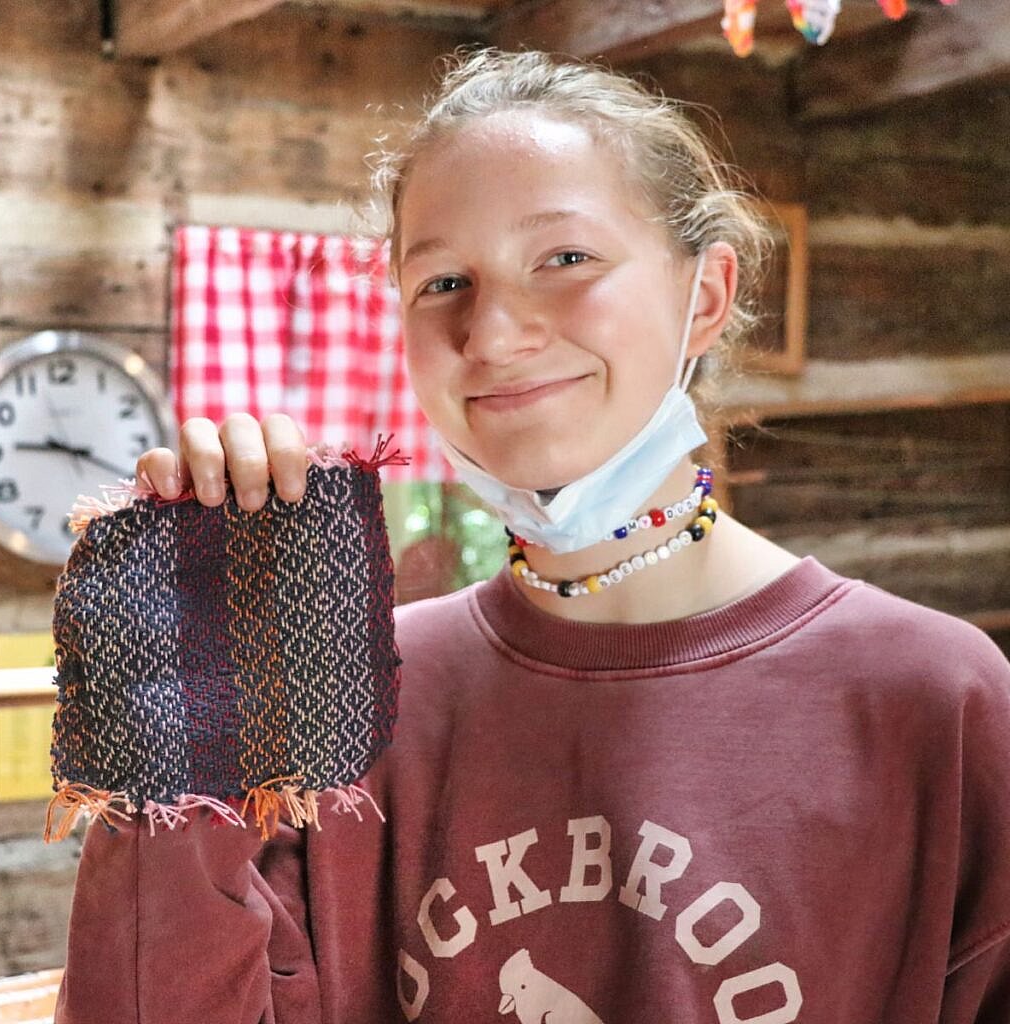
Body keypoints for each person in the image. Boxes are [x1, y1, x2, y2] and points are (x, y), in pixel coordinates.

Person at [56, 50, 1010, 1023]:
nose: (494, 332)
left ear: (707, 296)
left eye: (564, 258)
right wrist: (180, 730)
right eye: (442, 282)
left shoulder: (935, 699)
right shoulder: (352, 702)